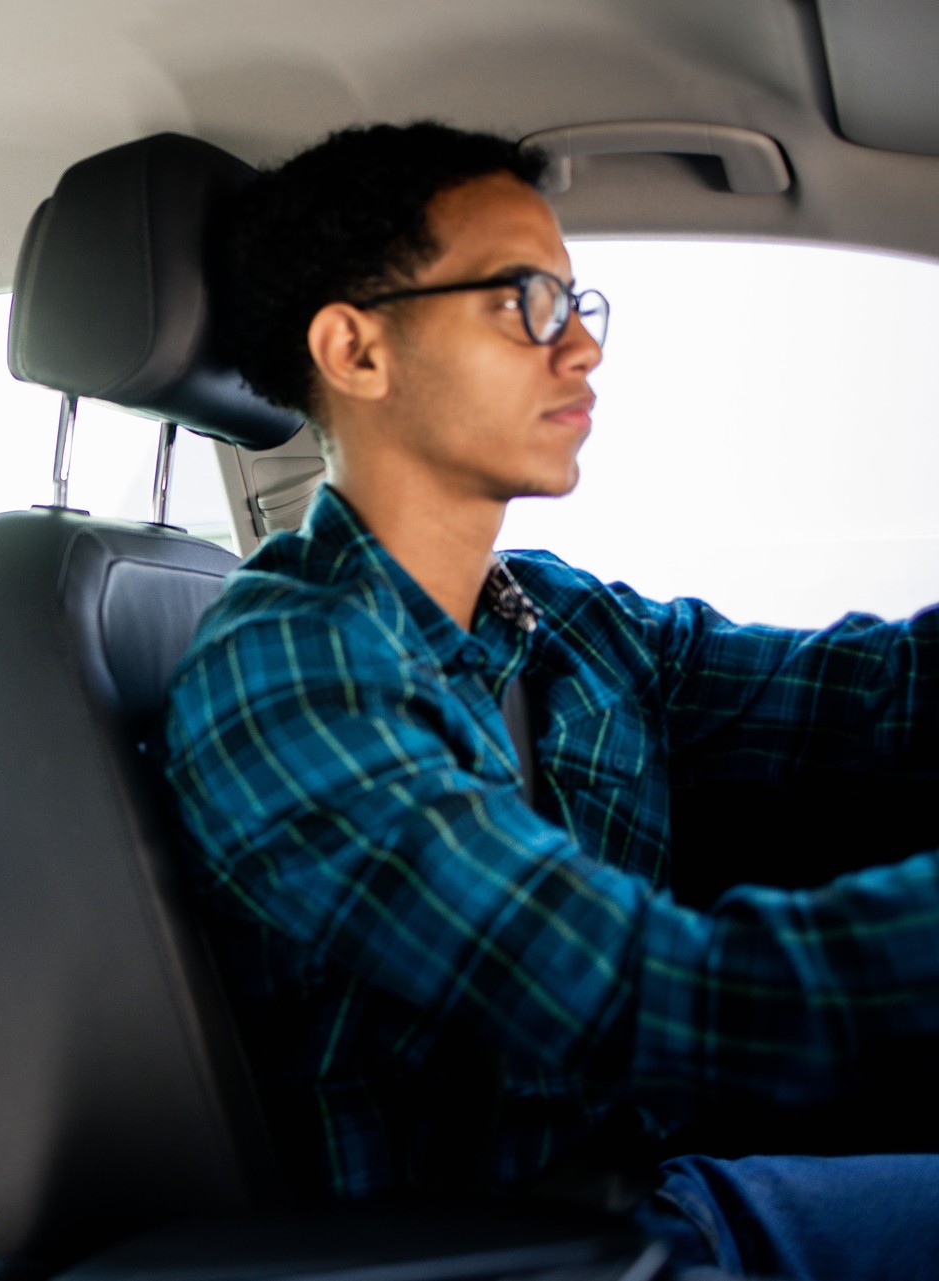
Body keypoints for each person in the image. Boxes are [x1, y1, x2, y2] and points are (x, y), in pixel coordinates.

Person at [162, 123, 939, 1279]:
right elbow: (656, 1001)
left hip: (650, 1198)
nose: (581, 349)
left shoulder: (560, 619)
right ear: (355, 351)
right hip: (509, 1254)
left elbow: (864, 691)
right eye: (524, 301)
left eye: (580, 305)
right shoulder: (285, 671)